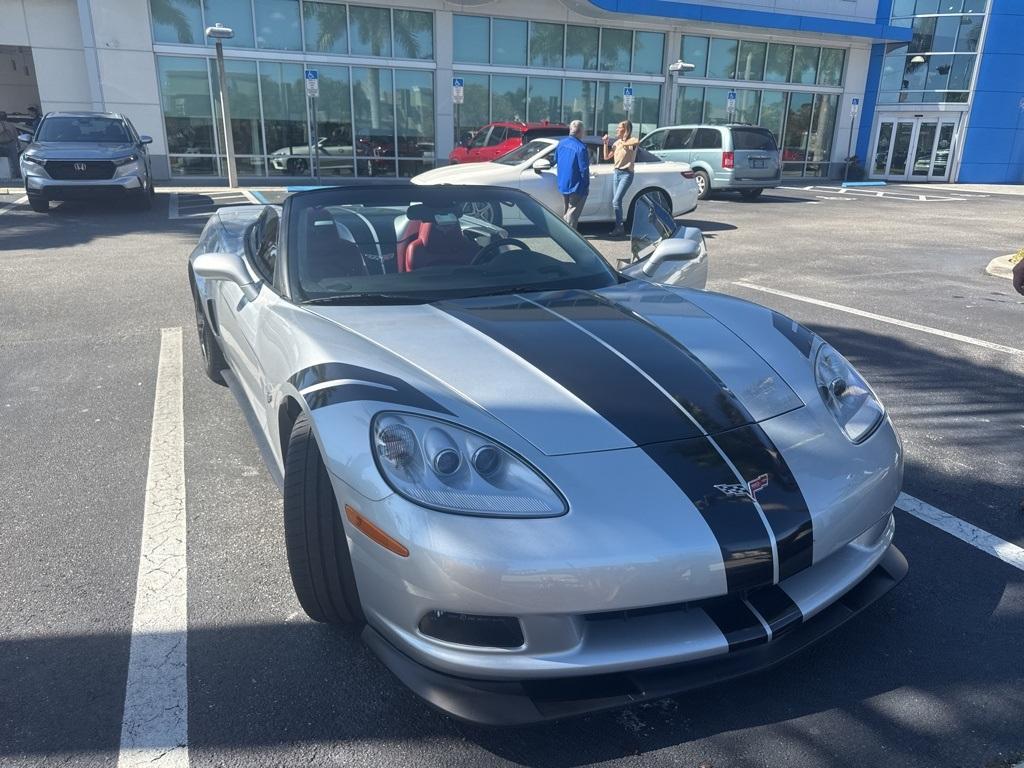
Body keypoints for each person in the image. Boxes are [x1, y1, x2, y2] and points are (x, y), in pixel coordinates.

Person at [602, 120, 639, 237]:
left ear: (626, 129)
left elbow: (637, 141)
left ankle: (619, 227)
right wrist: (605, 143)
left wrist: (623, 143)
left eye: (619, 128)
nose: (617, 129)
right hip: (616, 173)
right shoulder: (617, 143)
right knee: (616, 202)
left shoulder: (631, 141)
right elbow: (606, 156)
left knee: (616, 201)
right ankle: (619, 226)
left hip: (626, 174)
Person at [555, 120, 589, 230]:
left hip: (563, 183)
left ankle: (564, 231)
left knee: (567, 210)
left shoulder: (561, 143)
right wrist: (586, 185)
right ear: (580, 131)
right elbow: (583, 169)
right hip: (576, 185)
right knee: (572, 214)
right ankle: (570, 236)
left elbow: (556, 159)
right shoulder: (581, 147)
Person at [0, 112, 22, 180]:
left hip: (1, 145)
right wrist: (18, 144)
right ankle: (17, 175)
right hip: (11, 144)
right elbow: (15, 136)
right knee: (14, 161)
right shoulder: (11, 125)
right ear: (6, 117)